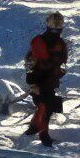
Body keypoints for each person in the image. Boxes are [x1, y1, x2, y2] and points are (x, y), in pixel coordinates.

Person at [23, 11, 68, 145]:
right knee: (44, 107)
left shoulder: (61, 44)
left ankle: (33, 128)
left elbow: (62, 63)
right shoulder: (39, 42)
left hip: (50, 81)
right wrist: (32, 83)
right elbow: (30, 65)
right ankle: (43, 133)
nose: (56, 28)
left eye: (58, 26)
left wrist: (58, 73)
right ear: (48, 25)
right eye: (54, 25)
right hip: (37, 80)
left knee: (46, 106)